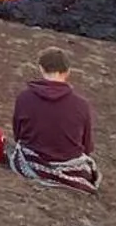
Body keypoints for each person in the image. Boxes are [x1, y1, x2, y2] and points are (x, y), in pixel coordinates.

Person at [9, 47, 101, 193]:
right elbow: (87, 146)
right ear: (67, 72)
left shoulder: (24, 98)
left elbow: (18, 135)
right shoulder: (81, 105)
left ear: (41, 68)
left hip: (31, 162)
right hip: (70, 165)